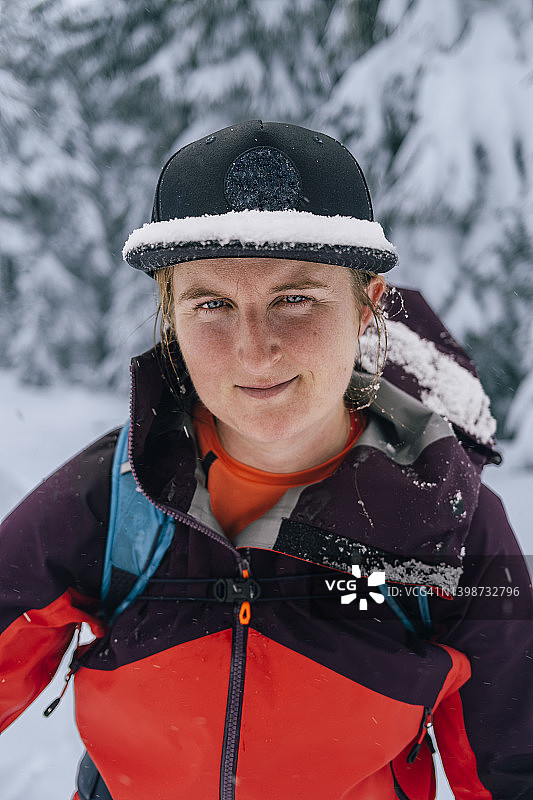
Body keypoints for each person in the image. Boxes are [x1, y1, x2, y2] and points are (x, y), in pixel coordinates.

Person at [1, 120, 532, 800]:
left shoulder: (449, 520)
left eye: (295, 299)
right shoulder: (110, 501)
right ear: (171, 318)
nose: (255, 351)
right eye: (213, 303)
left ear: (365, 307)